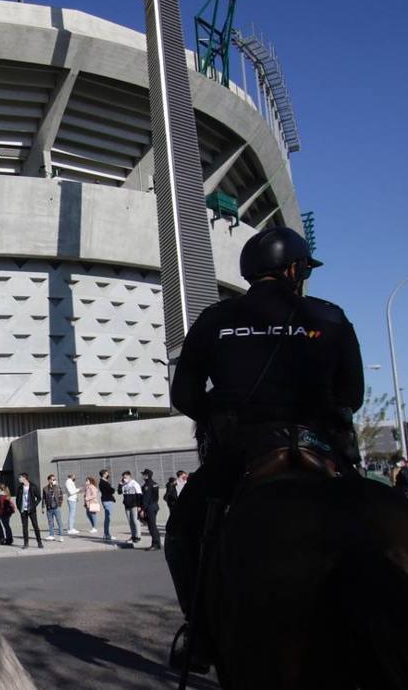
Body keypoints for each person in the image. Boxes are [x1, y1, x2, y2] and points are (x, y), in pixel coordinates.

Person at [165, 226, 364, 670]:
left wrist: (218, 414)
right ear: (294, 269)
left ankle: (199, 633)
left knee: (182, 533)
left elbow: (183, 395)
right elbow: (352, 394)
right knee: (380, 510)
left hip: (243, 450)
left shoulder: (215, 319)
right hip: (320, 445)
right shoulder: (330, 317)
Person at [15, 473, 43, 549]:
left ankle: (39, 542)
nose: (19, 479)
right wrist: (19, 507)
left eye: (20, 477)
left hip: (32, 510)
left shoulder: (33, 486)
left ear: (24, 478)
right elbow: (17, 499)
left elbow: (39, 498)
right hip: (23, 510)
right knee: (24, 527)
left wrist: (34, 505)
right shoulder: (20, 488)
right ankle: (26, 543)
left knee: (35, 526)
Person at [140, 469, 162, 551]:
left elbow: (146, 498)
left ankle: (155, 544)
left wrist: (142, 509)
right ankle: (157, 543)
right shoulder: (155, 484)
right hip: (154, 506)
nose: (142, 476)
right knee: (153, 526)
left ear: (147, 475)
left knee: (152, 527)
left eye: (144, 474)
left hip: (149, 507)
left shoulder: (147, 485)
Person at [120, 471, 143, 543]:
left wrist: (139, 506)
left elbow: (139, 495)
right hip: (127, 505)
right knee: (130, 521)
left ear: (129, 476)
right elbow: (119, 492)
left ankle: (138, 537)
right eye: (123, 477)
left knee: (135, 520)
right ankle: (133, 536)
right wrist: (120, 484)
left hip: (134, 505)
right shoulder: (124, 484)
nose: (124, 479)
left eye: (125, 477)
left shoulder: (135, 484)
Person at [43, 475, 64, 541]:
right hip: (49, 508)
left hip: (56, 507)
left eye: (54, 479)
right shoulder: (45, 488)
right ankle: (51, 535)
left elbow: (61, 496)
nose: (54, 480)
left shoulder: (58, 487)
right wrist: (43, 507)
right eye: (52, 479)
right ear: (49, 480)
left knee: (59, 522)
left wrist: (59, 505)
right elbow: (43, 498)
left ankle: (61, 536)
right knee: (50, 522)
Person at [98, 470, 116, 541]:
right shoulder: (103, 482)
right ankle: (106, 534)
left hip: (107, 500)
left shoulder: (104, 482)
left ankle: (106, 534)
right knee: (108, 518)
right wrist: (112, 489)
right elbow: (111, 490)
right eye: (107, 473)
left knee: (108, 518)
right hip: (107, 500)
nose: (108, 474)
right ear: (104, 474)